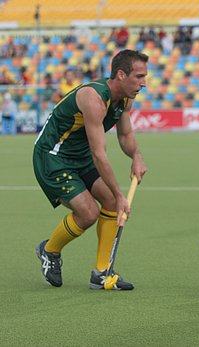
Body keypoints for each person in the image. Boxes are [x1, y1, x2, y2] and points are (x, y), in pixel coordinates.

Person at [33, 49, 149, 290]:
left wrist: (136, 156)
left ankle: (101, 273)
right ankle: (49, 250)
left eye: (144, 77)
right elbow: (99, 154)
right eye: (138, 76)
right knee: (88, 213)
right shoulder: (94, 98)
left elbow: (125, 134)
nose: (143, 83)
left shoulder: (126, 98)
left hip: (80, 155)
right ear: (120, 74)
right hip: (53, 156)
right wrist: (120, 195)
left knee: (108, 203)